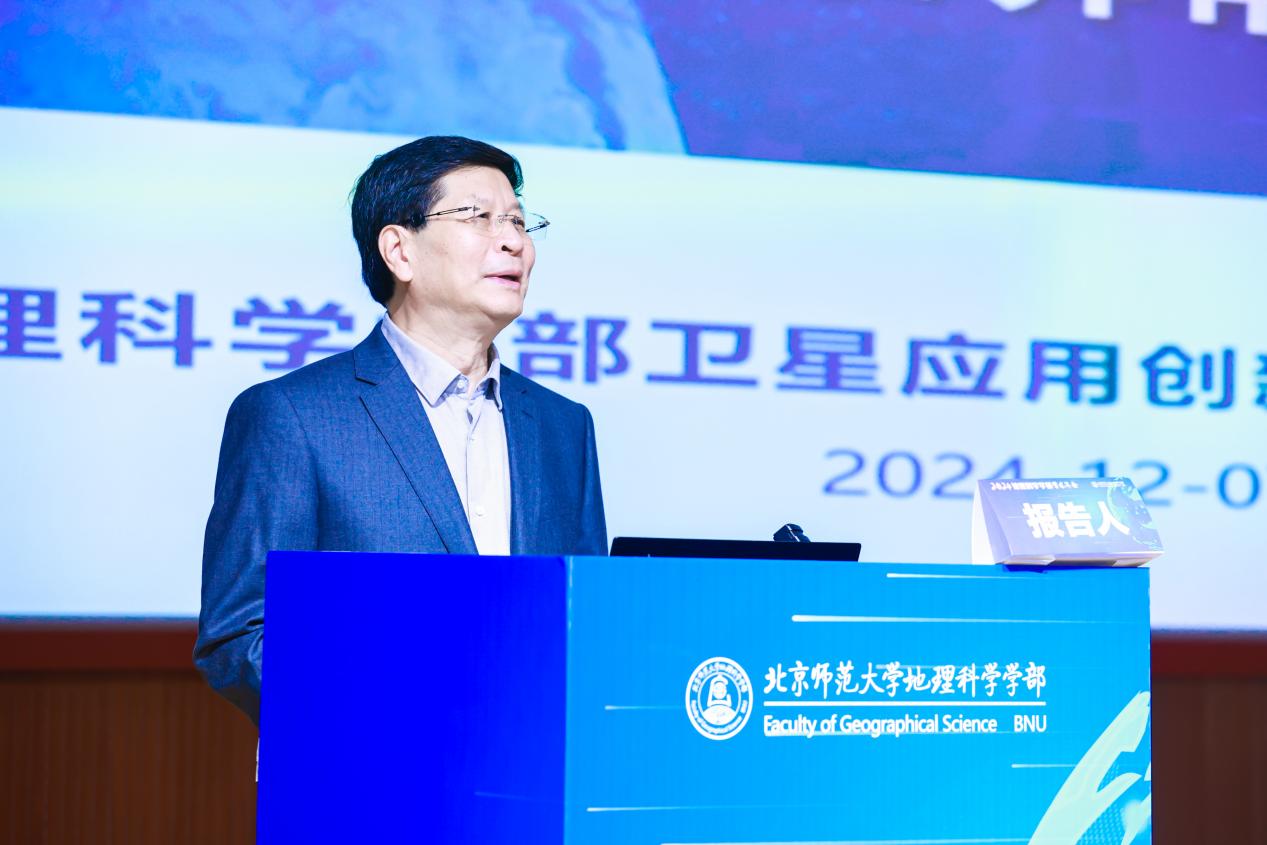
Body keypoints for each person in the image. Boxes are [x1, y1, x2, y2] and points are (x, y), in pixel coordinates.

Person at [194, 136, 607, 725]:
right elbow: (240, 637)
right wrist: (408, 713)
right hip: (371, 768)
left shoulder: (564, 427)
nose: (514, 241)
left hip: (535, 768)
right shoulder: (292, 415)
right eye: (478, 217)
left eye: (519, 221)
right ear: (399, 250)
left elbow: (586, 623)